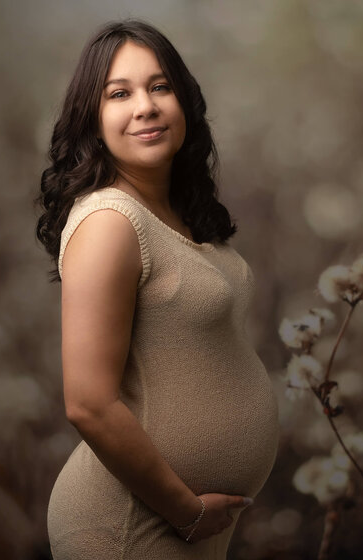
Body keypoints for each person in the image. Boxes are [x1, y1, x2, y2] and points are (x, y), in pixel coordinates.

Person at [35, 18, 280, 559]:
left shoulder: (174, 211)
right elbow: (88, 403)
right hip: (130, 527)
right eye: (119, 94)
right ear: (92, 120)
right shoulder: (109, 222)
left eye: (159, 86)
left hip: (187, 526)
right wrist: (185, 513)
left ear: (184, 101)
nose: (144, 106)